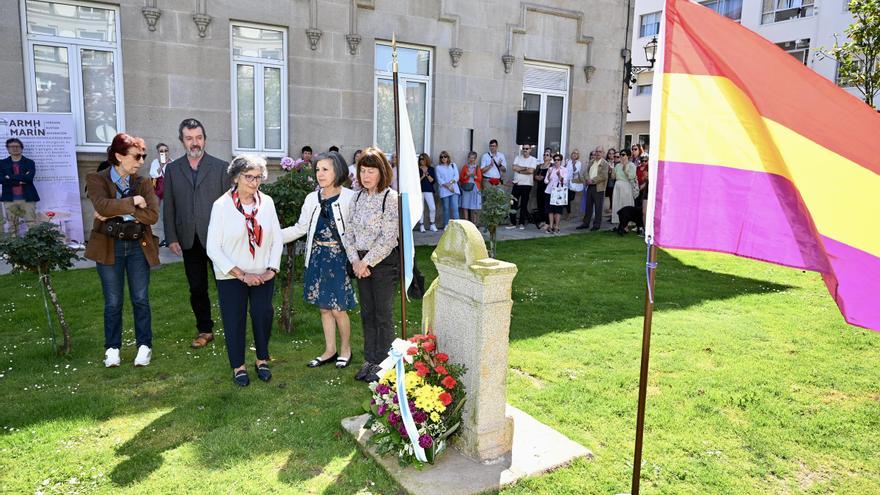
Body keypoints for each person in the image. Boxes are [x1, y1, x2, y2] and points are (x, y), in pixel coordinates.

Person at [84, 133, 159, 368]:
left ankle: (144, 346)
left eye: (144, 156)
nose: (141, 161)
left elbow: (153, 215)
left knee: (140, 299)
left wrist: (114, 211)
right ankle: (112, 348)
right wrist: (135, 201)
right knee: (113, 301)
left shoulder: (143, 182)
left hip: (138, 246)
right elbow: (101, 205)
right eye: (137, 156)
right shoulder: (97, 179)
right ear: (119, 156)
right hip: (109, 246)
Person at [206, 155, 282, 386]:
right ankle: (238, 366)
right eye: (249, 176)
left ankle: (262, 360)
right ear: (236, 177)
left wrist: (271, 269)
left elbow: (276, 239)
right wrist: (241, 274)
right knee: (234, 319)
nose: (254, 182)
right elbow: (213, 247)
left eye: (258, 177)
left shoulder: (266, 203)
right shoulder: (221, 206)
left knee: (262, 316)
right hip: (231, 276)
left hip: (262, 275)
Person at [281, 152, 357, 369]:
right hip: (317, 258)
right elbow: (301, 228)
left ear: (338, 171)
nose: (320, 174)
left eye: (326, 169)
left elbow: (355, 231)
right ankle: (329, 350)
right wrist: (273, 236)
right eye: (317, 170)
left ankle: (346, 350)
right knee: (324, 308)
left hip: (339, 259)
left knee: (338, 308)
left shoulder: (350, 198)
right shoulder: (311, 198)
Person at [163, 118, 230, 349]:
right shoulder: (172, 169)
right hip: (189, 239)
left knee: (227, 284)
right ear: (182, 140)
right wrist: (171, 236)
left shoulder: (221, 168)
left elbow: (230, 206)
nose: (195, 143)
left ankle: (233, 326)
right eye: (190, 138)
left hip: (218, 238)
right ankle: (205, 329)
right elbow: (168, 205)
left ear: (205, 139)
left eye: (199, 138)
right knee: (197, 287)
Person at [344, 147, 399, 383]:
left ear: (382, 172)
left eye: (371, 171)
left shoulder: (390, 198)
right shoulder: (355, 197)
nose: (365, 176)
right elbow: (348, 233)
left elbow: (388, 238)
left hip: (383, 263)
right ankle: (370, 359)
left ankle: (385, 363)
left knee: (382, 314)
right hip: (360, 264)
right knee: (367, 313)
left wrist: (366, 261)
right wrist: (355, 261)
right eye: (362, 171)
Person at [1, 138, 40, 236]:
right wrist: (20, 180)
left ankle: (33, 247)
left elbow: (29, 178)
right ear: (8, 149)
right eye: (11, 147)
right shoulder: (1, 163)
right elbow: (1, 180)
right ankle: (14, 249)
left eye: (17, 146)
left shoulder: (30, 162)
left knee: (31, 224)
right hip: (9, 198)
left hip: (28, 198)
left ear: (22, 148)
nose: (14, 149)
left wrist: (9, 177)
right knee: (12, 225)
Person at [577, 148, 610, 231]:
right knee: (588, 206)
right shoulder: (592, 161)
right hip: (589, 186)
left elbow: (604, 176)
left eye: (600, 151)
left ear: (603, 153)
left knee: (598, 207)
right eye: (597, 151)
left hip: (598, 187)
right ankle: (585, 223)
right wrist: (588, 179)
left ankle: (596, 225)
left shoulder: (605, 163)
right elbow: (585, 172)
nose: (598, 153)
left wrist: (592, 180)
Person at [507, 144, 536, 230]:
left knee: (524, 204)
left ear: (530, 150)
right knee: (513, 203)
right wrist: (525, 168)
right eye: (523, 148)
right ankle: (512, 222)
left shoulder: (533, 159)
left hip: (527, 185)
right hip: (517, 184)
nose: (525, 150)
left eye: (527, 148)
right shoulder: (517, 157)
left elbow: (531, 171)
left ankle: (522, 223)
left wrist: (519, 170)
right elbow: (513, 167)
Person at [148, 142, 170, 246]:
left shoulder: (173, 162)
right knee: (157, 215)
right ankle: (161, 238)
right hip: (158, 192)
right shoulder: (155, 162)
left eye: (165, 150)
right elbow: (154, 174)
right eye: (161, 151)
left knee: (168, 216)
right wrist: (162, 165)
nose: (164, 152)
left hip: (170, 193)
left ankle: (168, 238)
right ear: (158, 153)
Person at [544, 152, 568, 234]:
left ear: (561, 161)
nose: (556, 161)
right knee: (550, 210)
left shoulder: (564, 169)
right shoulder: (550, 169)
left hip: (559, 192)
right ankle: (550, 226)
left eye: (558, 160)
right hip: (549, 191)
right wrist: (548, 176)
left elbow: (565, 181)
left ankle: (557, 226)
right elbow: (545, 181)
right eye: (555, 160)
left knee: (558, 210)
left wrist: (559, 176)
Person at [435, 151, 460, 229]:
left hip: (454, 189)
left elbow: (457, 176)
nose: (443, 158)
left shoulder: (453, 165)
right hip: (444, 190)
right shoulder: (438, 167)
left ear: (448, 157)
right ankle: (447, 225)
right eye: (441, 157)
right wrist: (448, 186)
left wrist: (450, 184)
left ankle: (457, 225)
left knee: (455, 207)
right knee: (446, 208)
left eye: (445, 156)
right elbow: (439, 180)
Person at [611, 149, 636, 226]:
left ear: (628, 156)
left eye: (623, 154)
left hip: (626, 186)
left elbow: (631, 177)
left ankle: (626, 224)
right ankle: (618, 222)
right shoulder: (617, 165)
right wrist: (612, 171)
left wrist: (625, 169)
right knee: (617, 204)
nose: (621, 156)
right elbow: (613, 177)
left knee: (625, 204)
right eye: (620, 155)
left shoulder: (632, 165)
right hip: (617, 186)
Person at [459, 151, 482, 225]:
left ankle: (475, 223)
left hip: (475, 188)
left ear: (475, 159)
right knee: (465, 205)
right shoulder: (465, 167)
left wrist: (473, 175)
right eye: (470, 157)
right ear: (468, 158)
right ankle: (466, 222)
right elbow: (461, 179)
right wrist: (467, 176)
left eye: (473, 158)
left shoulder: (477, 167)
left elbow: (480, 179)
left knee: (475, 206)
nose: (471, 159)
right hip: (466, 187)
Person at [417, 153, 437, 232]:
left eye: (423, 159)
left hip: (429, 190)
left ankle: (432, 224)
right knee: (421, 209)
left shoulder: (431, 169)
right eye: (420, 159)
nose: (422, 161)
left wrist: (427, 174)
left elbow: (432, 181)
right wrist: (423, 175)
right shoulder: (417, 169)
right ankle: (421, 225)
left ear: (426, 160)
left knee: (432, 208)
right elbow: (416, 181)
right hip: (420, 191)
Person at [533, 149, 553, 230]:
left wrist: (544, 178)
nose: (545, 156)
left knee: (547, 205)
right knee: (540, 204)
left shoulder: (552, 166)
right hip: (539, 187)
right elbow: (534, 175)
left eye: (547, 155)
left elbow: (552, 177)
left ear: (551, 157)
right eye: (544, 154)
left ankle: (548, 222)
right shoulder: (539, 166)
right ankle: (542, 220)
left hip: (548, 188)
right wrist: (536, 177)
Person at [564, 149, 584, 220]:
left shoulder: (578, 163)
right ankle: (569, 213)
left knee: (570, 198)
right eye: (573, 153)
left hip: (573, 183)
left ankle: (568, 212)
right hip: (566, 183)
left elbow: (576, 171)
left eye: (576, 153)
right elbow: (564, 170)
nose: (574, 154)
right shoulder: (567, 161)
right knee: (566, 199)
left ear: (578, 155)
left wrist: (574, 165)